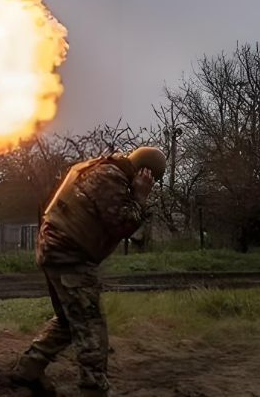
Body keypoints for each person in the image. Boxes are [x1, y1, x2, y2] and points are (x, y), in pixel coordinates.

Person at [10, 146, 166, 396]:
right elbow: (123, 224)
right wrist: (140, 196)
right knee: (91, 326)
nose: (151, 183)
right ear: (144, 172)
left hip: (55, 250)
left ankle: (28, 369)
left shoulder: (98, 166)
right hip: (70, 256)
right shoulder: (111, 177)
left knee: (68, 320)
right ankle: (93, 388)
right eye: (152, 178)